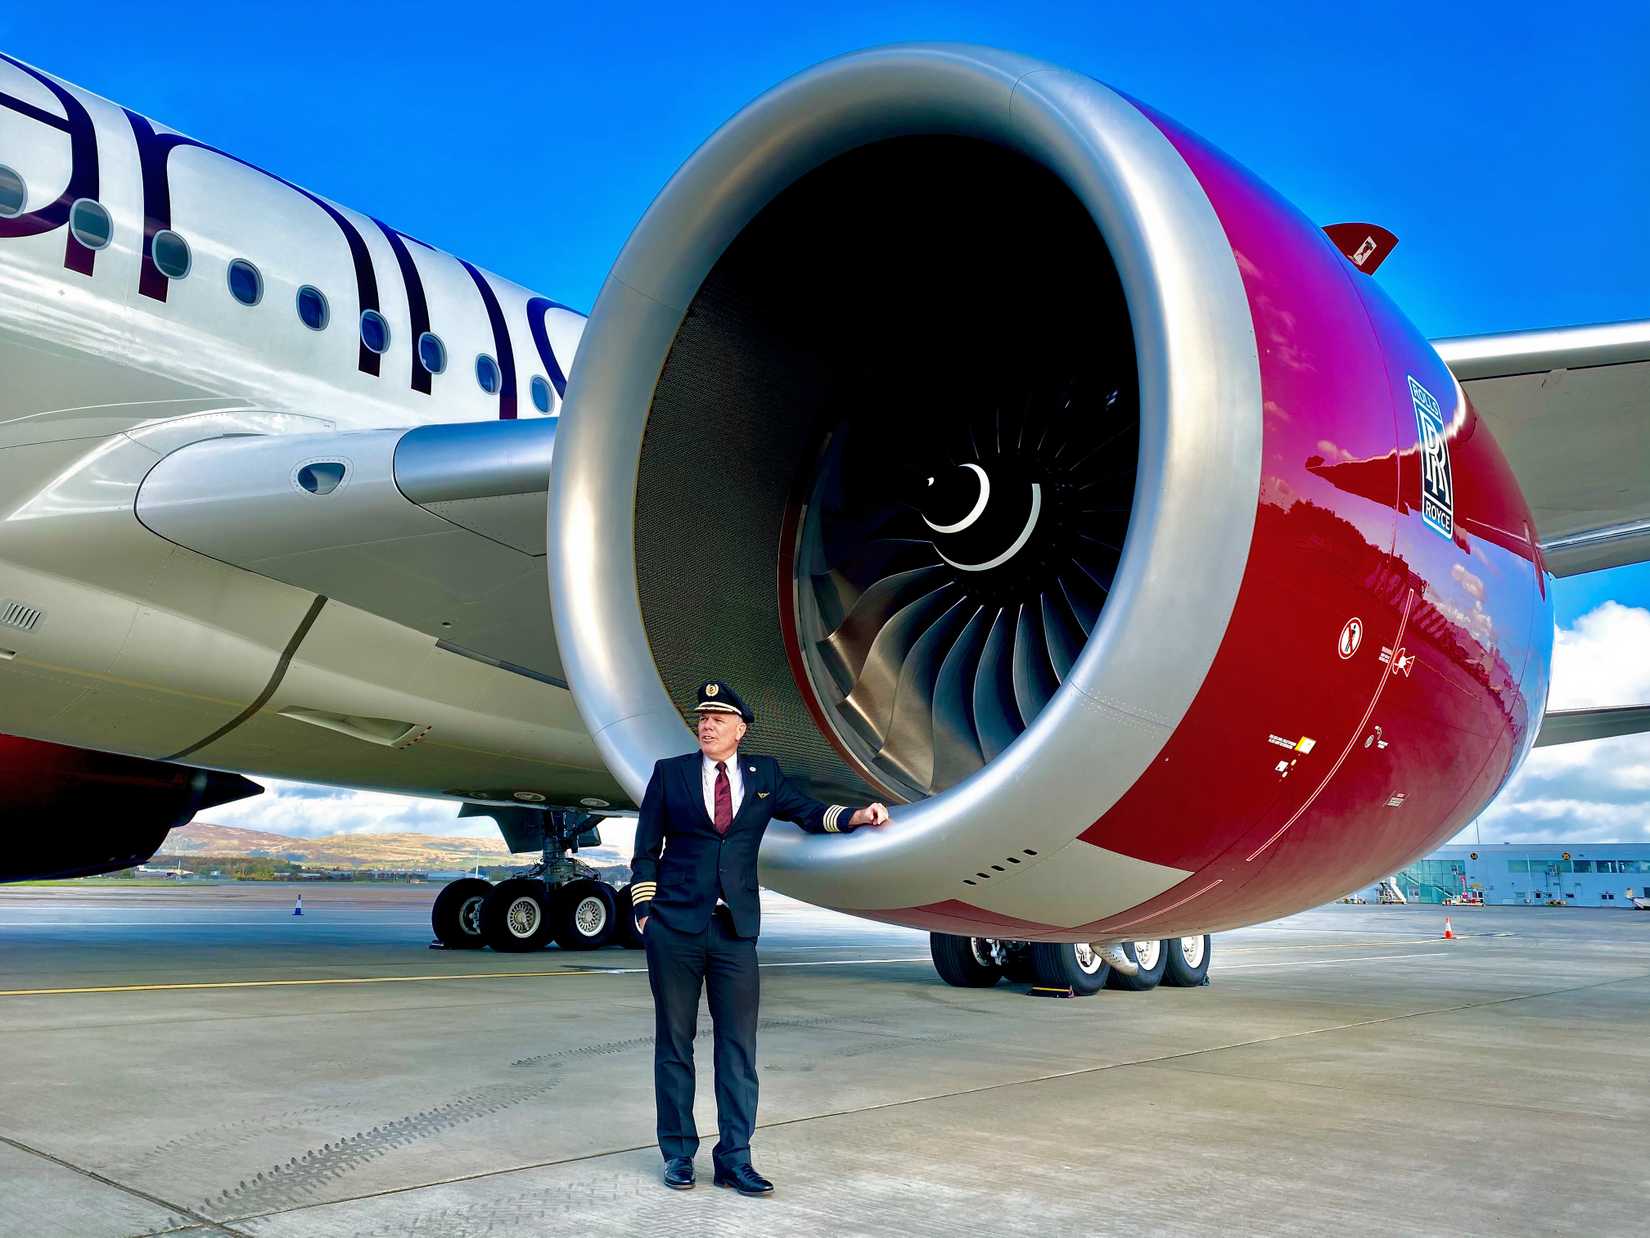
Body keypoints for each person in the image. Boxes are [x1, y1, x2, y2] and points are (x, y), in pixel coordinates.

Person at [629, 679, 890, 1195]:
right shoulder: (670, 774)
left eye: (719, 719)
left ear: (739, 729)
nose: (707, 725)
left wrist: (859, 815)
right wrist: (644, 912)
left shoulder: (764, 775)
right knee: (674, 1046)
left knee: (737, 1050)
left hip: (734, 931)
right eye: (703, 718)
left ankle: (735, 1158)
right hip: (675, 928)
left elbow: (809, 812)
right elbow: (645, 847)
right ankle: (678, 1154)